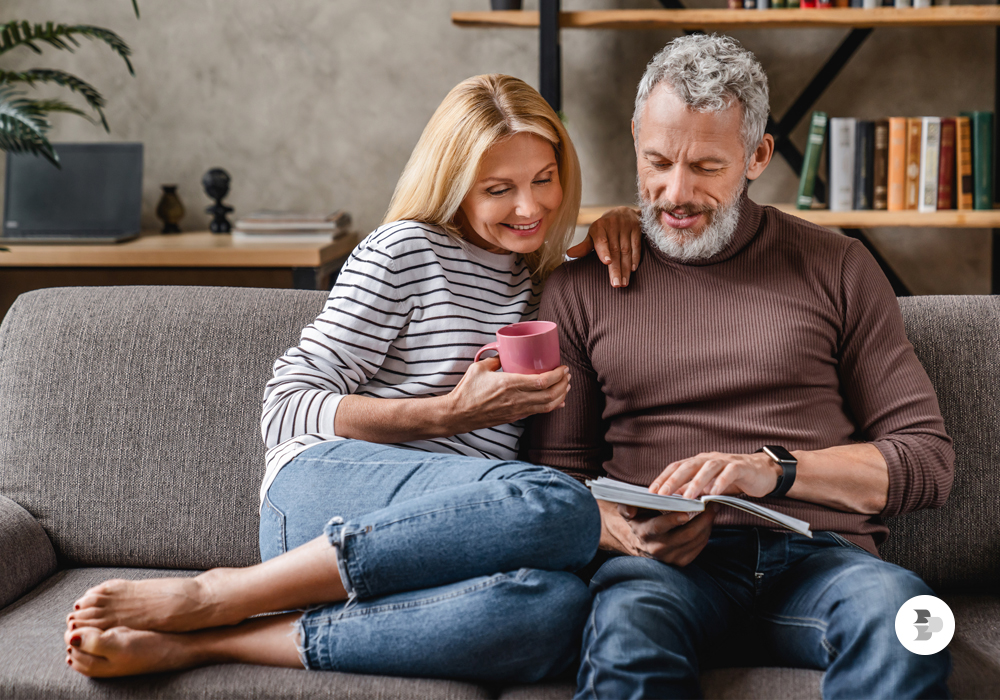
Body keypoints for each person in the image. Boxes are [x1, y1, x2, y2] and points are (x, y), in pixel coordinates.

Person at [62, 74, 640, 681]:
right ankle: (216, 595)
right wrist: (446, 414)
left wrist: (624, 225)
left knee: (556, 610)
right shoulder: (405, 251)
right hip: (322, 500)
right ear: (455, 185)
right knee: (561, 506)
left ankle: (209, 643)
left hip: (440, 539)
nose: (530, 207)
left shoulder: (540, 281)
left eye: (544, 180)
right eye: (499, 189)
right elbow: (285, 404)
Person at [526, 34, 955, 700]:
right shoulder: (580, 285)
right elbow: (558, 478)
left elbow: (926, 462)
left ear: (757, 156)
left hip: (821, 560)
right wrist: (628, 535)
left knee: (914, 623)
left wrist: (774, 470)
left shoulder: (837, 266)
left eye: (706, 166)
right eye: (657, 161)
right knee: (626, 639)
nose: (675, 192)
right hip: (661, 573)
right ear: (636, 136)